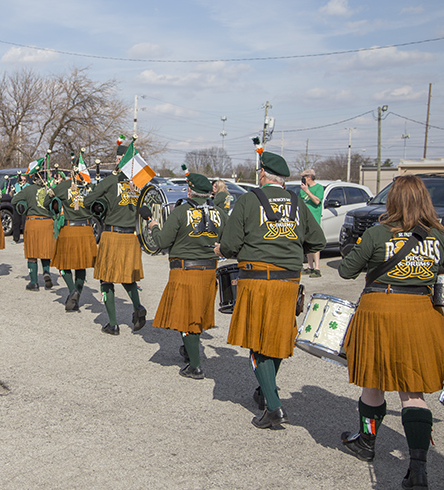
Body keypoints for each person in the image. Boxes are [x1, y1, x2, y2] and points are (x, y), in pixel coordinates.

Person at [337, 175, 444, 488]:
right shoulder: (438, 237)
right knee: (412, 392)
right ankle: (418, 470)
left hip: (380, 313)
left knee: (373, 379)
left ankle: (367, 444)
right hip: (420, 315)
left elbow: (346, 271)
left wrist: (357, 249)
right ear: (424, 201)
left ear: (392, 202)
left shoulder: (376, 234)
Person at [215, 151, 326, 429]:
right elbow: (318, 240)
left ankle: (274, 406)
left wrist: (222, 249)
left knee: (257, 342)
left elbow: (229, 244)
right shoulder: (298, 203)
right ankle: (265, 392)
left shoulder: (249, 200)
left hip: (257, 279)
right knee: (276, 338)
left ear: (262, 175)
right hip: (288, 281)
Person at [149, 173, 227, 379]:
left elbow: (162, 241)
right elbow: (229, 242)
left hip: (185, 270)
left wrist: (154, 227)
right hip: (210, 270)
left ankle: (195, 365)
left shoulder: (181, 211)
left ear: (190, 190)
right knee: (197, 315)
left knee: (187, 317)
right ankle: (188, 350)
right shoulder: (220, 213)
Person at [83, 169, 146, 335]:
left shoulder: (112, 180)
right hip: (132, 235)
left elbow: (87, 200)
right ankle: (138, 307)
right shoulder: (141, 181)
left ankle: (113, 324)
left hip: (112, 234)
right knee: (127, 276)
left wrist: (101, 197)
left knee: (106, 279)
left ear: (120, 161)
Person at [47, 174, 97, 311]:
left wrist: (51, 194)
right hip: (86, 229)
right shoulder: (90, 187)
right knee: (81, 265)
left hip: (69, 229)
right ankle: (76, 299)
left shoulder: (63, 186)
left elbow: (48, 204)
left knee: (62, 263)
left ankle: (72, 291)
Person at [12, 173, 55, 291]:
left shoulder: (28, 189)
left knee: (32, 253)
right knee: (45, 251)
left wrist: (24, 204)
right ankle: (46, 272)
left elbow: (14, 200)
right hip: (47, 222)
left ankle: (34, 282)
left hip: (33, 222)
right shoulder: (50, 190)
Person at [300, 168, 324, 278]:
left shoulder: (318, 188)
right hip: (305, 219)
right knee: (307, 243)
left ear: (309, 177)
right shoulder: (302, 189)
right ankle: (310, 267)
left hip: (314, 218)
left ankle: (317, 268)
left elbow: (317, 201)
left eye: (304, 177)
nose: (303, 179)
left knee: (315, 244)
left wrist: (307, 191)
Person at [11, 173, 29, 243]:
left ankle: (26, 238)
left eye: (24, 180)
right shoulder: (16, 185)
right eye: (21, 180)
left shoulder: (28, 186)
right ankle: (16, 238)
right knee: (16, 222)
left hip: (25, 206)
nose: (23, 181)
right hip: (17, 206)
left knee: (25, 223)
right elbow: (13, 195)